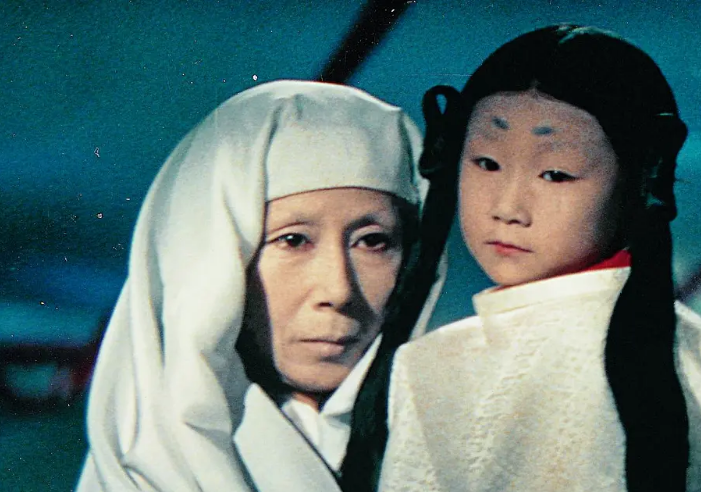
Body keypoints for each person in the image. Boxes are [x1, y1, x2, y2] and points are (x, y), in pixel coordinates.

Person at [375, 25, 701, 492]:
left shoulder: (450, 366)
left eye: (555, 174)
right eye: (487, 163)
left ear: (639, 180)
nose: (508, 207)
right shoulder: (443, 359)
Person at [75, 80, 444, 491]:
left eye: (372, 241)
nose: (338, 291)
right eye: (293, 240)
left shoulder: (456, 441)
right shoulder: (137, 473)